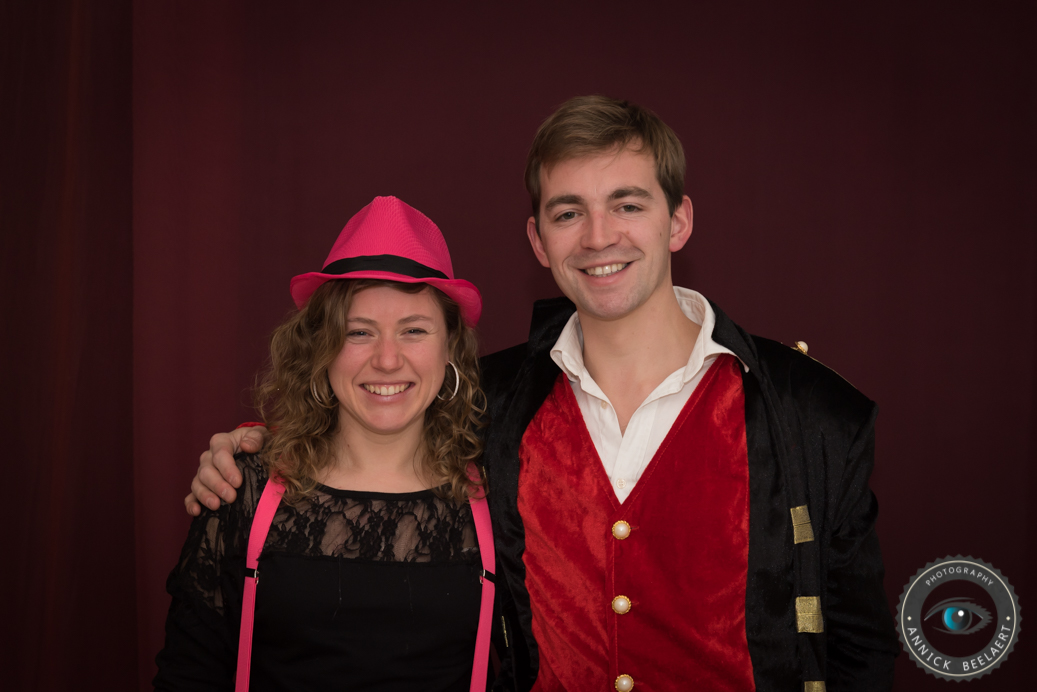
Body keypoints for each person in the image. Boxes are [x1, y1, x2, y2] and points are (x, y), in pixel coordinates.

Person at [187, 97, 899, 691]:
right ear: (537, 240)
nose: (598, 237)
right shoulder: (489, 401)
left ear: (678, 220)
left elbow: (858, 650)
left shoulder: (811, 414)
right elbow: (370, 432)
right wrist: (251, 447)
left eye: (626, 204)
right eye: (567, 213)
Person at [157, 196, 497, 691]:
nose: (387, 360)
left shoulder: (500, 493)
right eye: (358, 332)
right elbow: (187, 676)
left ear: (451, 349)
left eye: (413, 330)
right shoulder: (241, 489)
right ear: (321, 347)